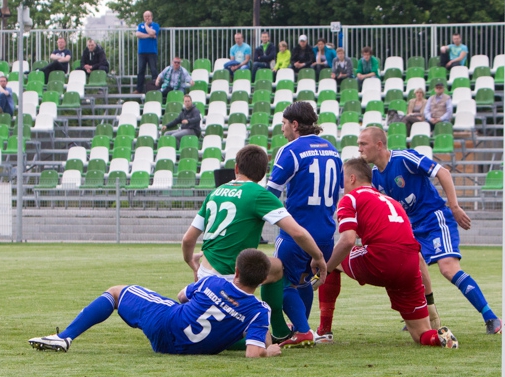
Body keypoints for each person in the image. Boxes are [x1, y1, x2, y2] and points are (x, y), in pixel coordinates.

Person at [356, 126, 501, 334]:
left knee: (448, 269)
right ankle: (422, 318)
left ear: (379, 145)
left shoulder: (404, 158)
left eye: (363, 144)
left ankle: (491, 318)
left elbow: (443, 172)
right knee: (407, 271)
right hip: (411, 228)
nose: (359, 148)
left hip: (434, 219)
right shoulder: (374, 177)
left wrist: (454, 207)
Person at [181, 145, 327, 345]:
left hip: (206, 276)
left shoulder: (216, 192)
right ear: (263, 174)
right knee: (278, 268)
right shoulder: (258, 194)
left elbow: (188, 239)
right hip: (233, 277)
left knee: (274, 266)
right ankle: (275, 330)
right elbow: (297, 232)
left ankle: (272, 331)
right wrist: (318, 257)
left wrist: (192, 262)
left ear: (236, 168)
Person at [29, 248, 281, 358]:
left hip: (165, 325)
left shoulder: (213, 283)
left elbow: (182, 295)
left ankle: (65, 337)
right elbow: (254, 352)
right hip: (187, 350)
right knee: (234, 331)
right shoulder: (259, 312)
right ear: (263, 280)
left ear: (236, 271)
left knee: (117, 292)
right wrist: (268, 349)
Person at [319, 158, 459, 348]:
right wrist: (429, 301)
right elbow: (414, 252)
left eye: (341, 178)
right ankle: (439, 338)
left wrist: (324, 270)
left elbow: (348, 240)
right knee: (421, 335)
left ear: (352, 178)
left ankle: (324, 330)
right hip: (409, 263)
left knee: (331, 258)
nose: (339, 184)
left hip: (381, 258)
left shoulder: (350, 199)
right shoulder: (392, 201)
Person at [267, 101, 342, 347]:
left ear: (295, 124)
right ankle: (303, 329)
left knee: (280, 279)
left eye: (284, 124)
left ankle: (302, 330)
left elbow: (271, 193)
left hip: (297, 232)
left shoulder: (290, 150)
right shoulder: (332, 149)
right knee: (303, 279)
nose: (282, 129)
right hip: (326, 232)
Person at [134, 11, 160, 94]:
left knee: (153, 70)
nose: (147, 18)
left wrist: (146, 26)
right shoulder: (140, 25)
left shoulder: (155, 25)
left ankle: (155, 88)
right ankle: (139, 89)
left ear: (151, 16)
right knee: (141, 70)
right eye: (145, 16)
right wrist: (149, 35)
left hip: (152, 51)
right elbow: (138, 34)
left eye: (148, 16)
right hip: (142, 51)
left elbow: (153, 32)